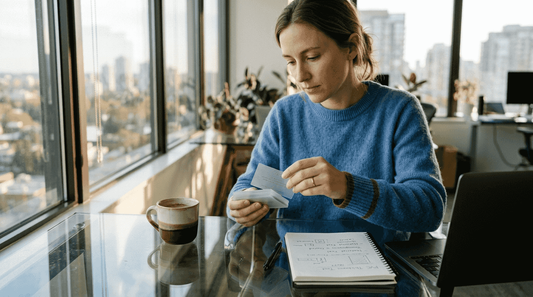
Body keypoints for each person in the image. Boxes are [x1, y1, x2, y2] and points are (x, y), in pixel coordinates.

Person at [227, 0, 446, 246]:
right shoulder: (284, 114)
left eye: (312, 57)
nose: (300, 76)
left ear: (351, 47)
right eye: (290, 61)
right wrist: (242, 202)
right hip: (295, 267)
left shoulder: (399, 110)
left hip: (384, 270)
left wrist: (347, 187)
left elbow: (429, 208)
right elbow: (251, 184)